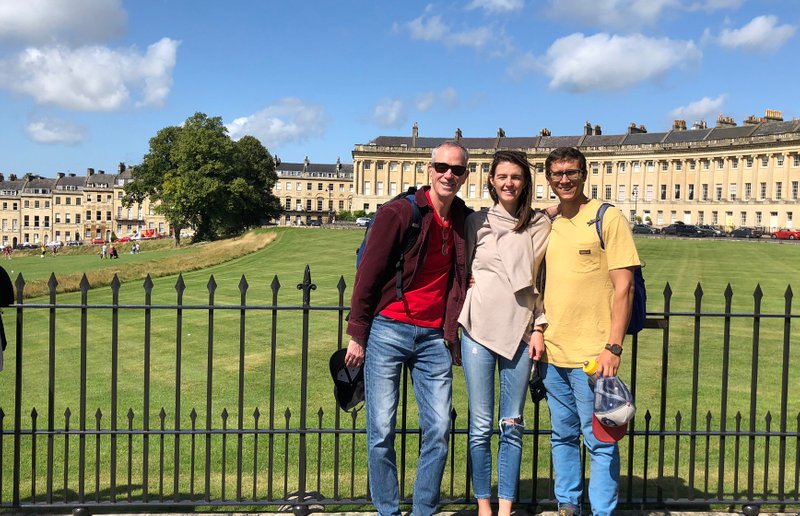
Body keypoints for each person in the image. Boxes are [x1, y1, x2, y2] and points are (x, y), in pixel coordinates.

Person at [344, 141, 472, 516]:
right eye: (443, 167)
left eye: (458, 169)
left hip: (434, 339)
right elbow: (367, 275)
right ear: (429, 170)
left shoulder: (463, 219)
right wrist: (358, 333)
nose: (450, 174)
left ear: (465, 176)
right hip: (388, 330)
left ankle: (423, 510)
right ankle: (387, 509)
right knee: (381, 430)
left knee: (438, 430)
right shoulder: (399, 212)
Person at [539, 147, 640, 516]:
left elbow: (624, 288)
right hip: (552, 352)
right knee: (562, 436)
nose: (564, 179)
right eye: (557, 174)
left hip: (593, 357)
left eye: (571, 172)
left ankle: (601, 511)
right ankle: (568, 504)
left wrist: (613, 347)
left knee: (600, 439)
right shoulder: (549, 222)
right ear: (547, 179)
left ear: (584, 174)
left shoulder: (607, 218)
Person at [458, 150, 550, 516]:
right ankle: (484, 505)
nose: (508, 182)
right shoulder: (475, 223)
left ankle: (507, 505)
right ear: (492, 182)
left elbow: (544, 279)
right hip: (478, 328)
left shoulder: (541, 225)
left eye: (516, 176)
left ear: (525, 181)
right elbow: (458, 265)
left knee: (512, 425)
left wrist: (539, 325)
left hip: (521, 331)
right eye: (502, 177)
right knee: (480, 426)